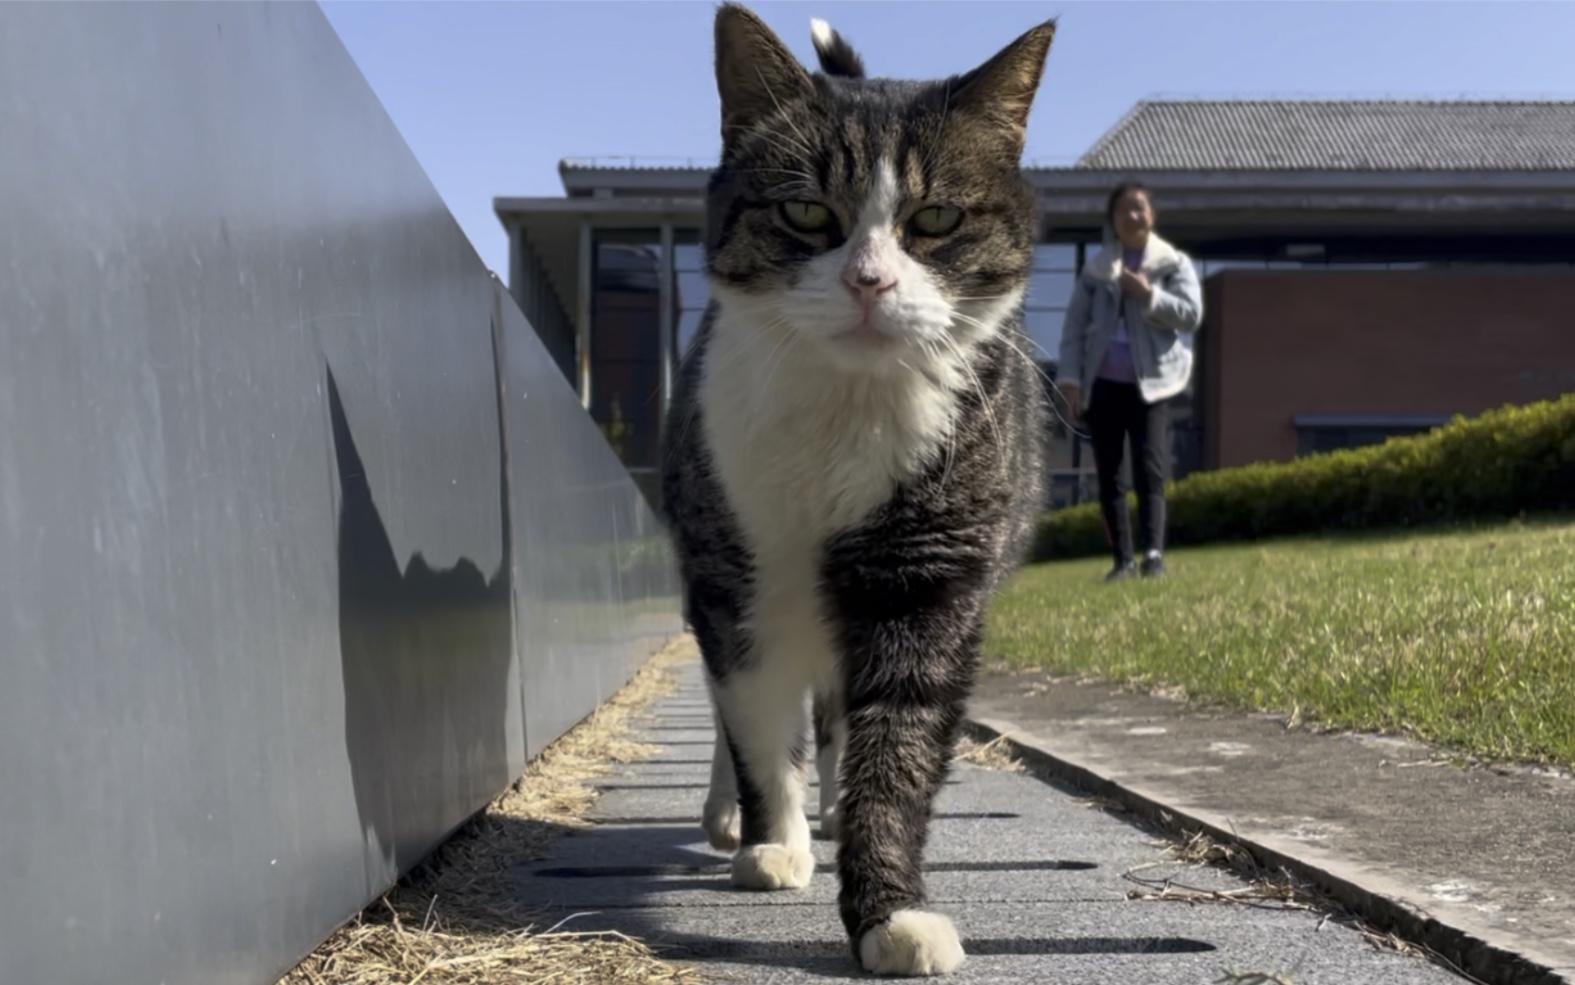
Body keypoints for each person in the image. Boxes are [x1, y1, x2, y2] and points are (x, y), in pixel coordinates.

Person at [1057, 182, 1204, 581]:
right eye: (1124, 209)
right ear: (1114, 220)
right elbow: (1074, 330)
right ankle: (1122, 560)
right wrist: (1071, 383)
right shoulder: (1097, 271)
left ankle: (1153, 555)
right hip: (1102, 385)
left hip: (1152, 385)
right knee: (1109, 475)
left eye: (1139, 208)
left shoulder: (1172, 264)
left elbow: (1190, 314)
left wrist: (1148, 295)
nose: (1133, 215)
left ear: (1151, 216)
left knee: (1150, 469)